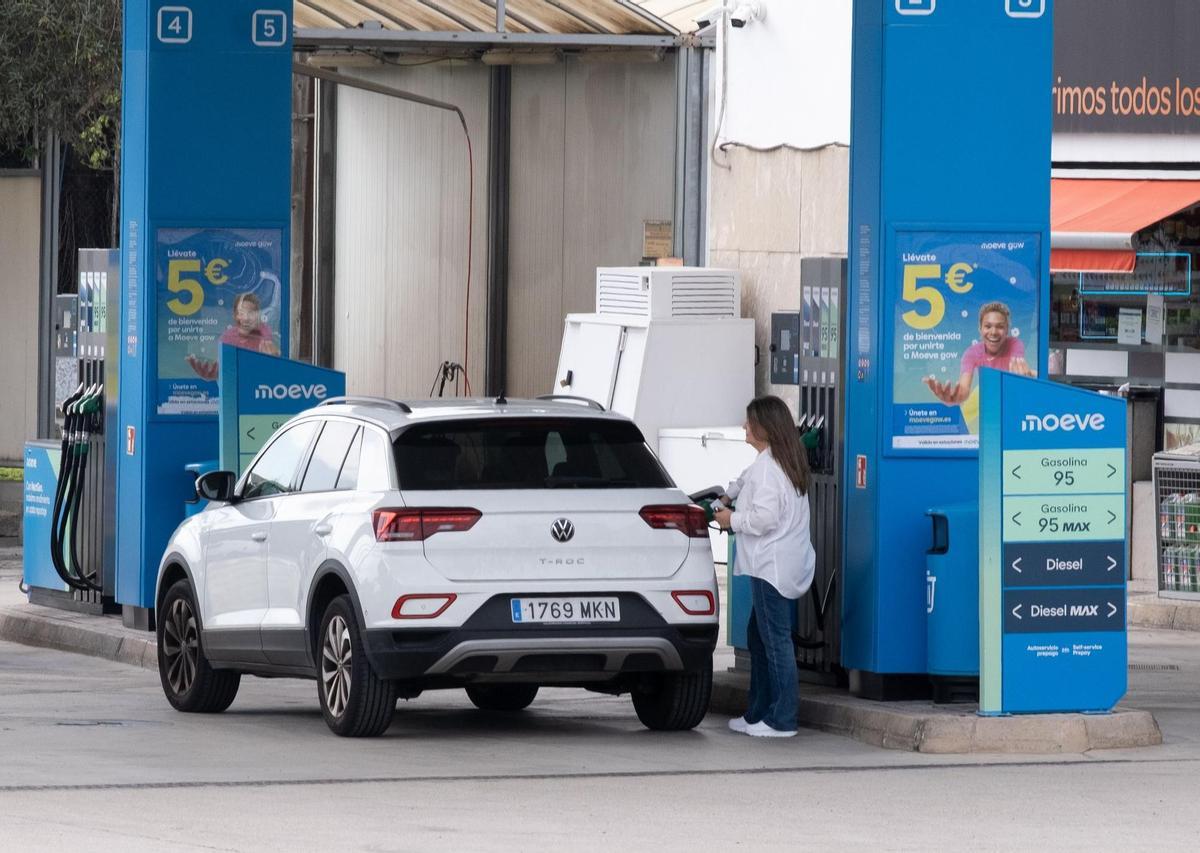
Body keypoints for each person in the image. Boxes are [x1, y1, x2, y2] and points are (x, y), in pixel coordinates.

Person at [714, 395, 816, 738]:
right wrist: (730, 494)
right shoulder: (780, 461)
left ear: (764, 428)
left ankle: (781, 718)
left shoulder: (769, 469)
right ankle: (758, 711)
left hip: (769, 566)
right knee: (759, 638)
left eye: (748, 422)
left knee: (774, 641)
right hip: (781, 565)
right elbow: (747, 479)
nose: (744, 427)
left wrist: (731, 518)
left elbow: (764, 518)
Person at [186, 292, 280, 381]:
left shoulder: (264, 333)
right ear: (235, 316)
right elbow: (222, 369)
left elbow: (271, 367)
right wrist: (213, 374)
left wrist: (273, 362)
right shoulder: (227, 338)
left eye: (250, 313)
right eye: (241, 313)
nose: (246, 318)